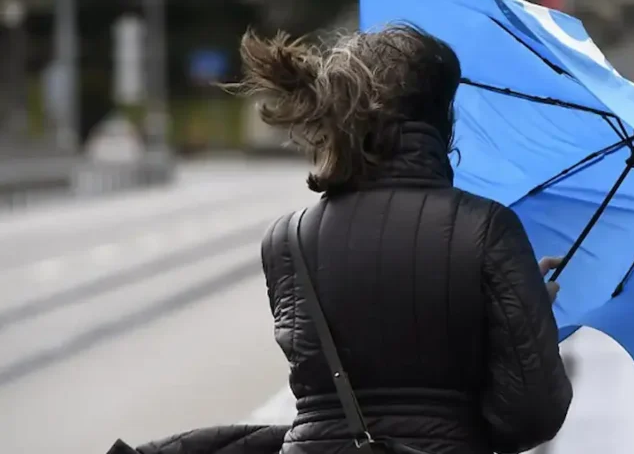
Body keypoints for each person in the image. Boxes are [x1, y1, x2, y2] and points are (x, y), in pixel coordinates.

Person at [106, 24, 572, 454]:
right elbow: (531, 416)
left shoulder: (288, 241)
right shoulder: (487, 229)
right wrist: (529, 324)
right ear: (443, 120)